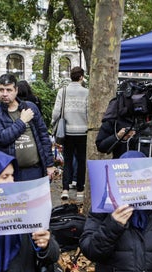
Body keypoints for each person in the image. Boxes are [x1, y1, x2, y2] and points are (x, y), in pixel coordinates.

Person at [0, 74, 55, 182]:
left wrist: (49, 164)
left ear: (16, 90)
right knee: (12, 199)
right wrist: (22, 121)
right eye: (1, 90)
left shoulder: (30, 107)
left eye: (9, 90)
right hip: (9, 173)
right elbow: (1, 138)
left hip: (34, 170)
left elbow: (43, 136)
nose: (4, 94)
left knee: (35, 199)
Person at [52, 66, 89, 200]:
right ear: (81, 77)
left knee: (67, 160)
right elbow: (89, 112)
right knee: (81, 160)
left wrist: (53, 122)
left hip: (67, 132)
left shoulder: (63, 91)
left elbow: (56, 111)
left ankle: (65, 189)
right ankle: (80, 190)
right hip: (83, 132)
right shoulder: (86, 92)